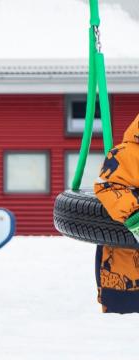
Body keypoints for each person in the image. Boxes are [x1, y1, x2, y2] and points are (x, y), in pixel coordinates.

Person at [94, 113, 139, 313]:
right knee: (121, 328)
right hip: (125, 271)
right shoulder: (128, 154)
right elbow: (108, 186)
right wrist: (134, 216)